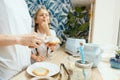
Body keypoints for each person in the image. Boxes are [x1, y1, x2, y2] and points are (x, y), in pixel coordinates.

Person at [0, 0, 43, 79]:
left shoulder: (23, 3)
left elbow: (20, 32)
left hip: (27, 69)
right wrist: (19, 39)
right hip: (6, 72)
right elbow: (20, 38)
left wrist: (30, 42)